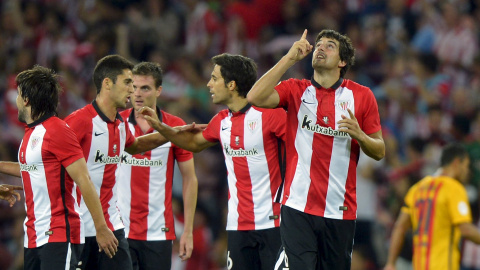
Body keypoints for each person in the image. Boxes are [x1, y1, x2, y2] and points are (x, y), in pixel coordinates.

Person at [246, 29, 385, 270]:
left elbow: (379, 150)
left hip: (339, 210)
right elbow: (255, 96)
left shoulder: (362, 96)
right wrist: (290, 58)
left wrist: (360, 135)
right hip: (297, 205)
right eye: (318, 44)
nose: (320, 48)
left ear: (342, 62)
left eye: (329, 46)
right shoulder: (295, 89)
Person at [140, 53, 286, 270]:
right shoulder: (221, 121)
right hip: (238, 226)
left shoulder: (272, 116)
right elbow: (194, 143)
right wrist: (162, 128)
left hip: (275, 223)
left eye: (215, 78)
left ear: (232, 85)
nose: (209, 84)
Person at [0, 66, 118, 270]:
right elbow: (33, 168)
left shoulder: (58, 130)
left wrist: (101, 228)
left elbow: (84, 179)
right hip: (34, 237)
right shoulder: (32, 133)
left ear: (27, 100)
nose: (16, 101)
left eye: (19, 95)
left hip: (59, 234)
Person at [64, 55, 170, 270]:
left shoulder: (120, 124)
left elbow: (135, 146)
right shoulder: (79, 122)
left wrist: (175, 132)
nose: (132, 90)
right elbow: (50, 164)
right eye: (127, 82)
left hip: (112, 227)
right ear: (107, 83)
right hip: (81, 229)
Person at [116, 62, 198, 270]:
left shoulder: (175, 126)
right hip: (119, 230)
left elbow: (189, 178)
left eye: (145, 88)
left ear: (159, 91)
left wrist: (188, 230)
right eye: (133, 87)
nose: (137, 94)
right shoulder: (116, 124)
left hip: (158, 233)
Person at [384, 143, 480, 270]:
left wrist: (391, 263)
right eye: (466, 166)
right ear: (456, 163)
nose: (467, 172)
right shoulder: (454, 188)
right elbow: (465, 229)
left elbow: (400, 227)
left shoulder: (417, 188)